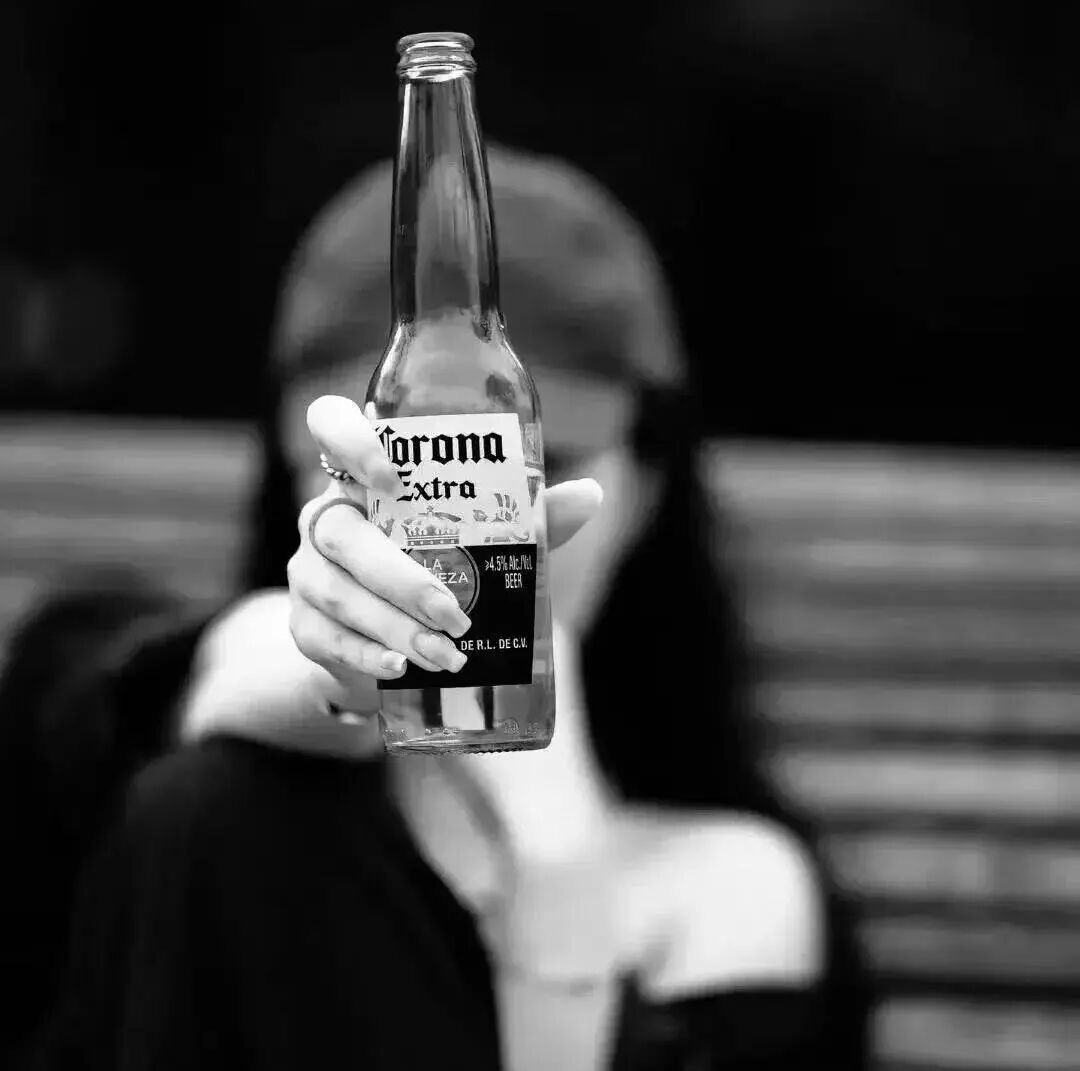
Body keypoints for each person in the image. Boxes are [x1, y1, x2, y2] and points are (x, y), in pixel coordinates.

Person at [19, 146, 871, 1069]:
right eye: (410, 471)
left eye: (531, 464)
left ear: (647, 491)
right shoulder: (140, 761)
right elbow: (117, 687)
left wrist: (554, 857)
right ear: (302, 477)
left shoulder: (729, 890)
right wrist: (334, 666)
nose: (466, 526)